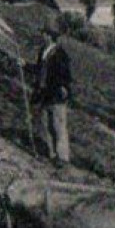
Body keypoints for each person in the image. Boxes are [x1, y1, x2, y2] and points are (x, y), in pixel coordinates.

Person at [29, 22, 73, 166]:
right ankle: (51, 154)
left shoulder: (60, 54)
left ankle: (63, 157)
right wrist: (24, 65)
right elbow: (38, 69)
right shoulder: (43, 51)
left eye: (44, 33)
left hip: (56, 95)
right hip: (44, 92)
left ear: (49, 36)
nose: (42, 35)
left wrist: (63, 87)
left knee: (58, 125)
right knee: (46, 123)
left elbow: (65, 76)